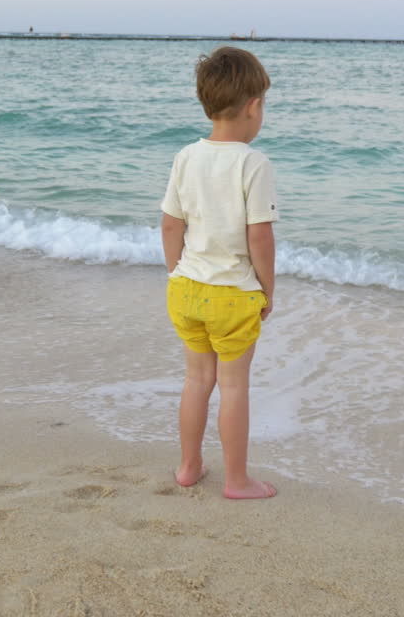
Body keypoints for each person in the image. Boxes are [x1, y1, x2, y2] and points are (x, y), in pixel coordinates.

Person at [160, 46, 278, 500]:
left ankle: (189, 466)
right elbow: (260, 238)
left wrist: (178, 273)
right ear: (253, 106)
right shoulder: (253, 163)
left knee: (197, 380)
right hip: (232, 296)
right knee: (233, 386)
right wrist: (267, 288)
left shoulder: (187, 156)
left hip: (186, 289)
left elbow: (172, 224)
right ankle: (236, 480)